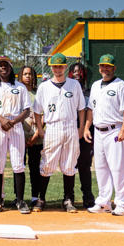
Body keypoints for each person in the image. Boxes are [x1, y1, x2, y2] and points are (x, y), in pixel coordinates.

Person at [33, 54, 86, 213]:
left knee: (69, 164)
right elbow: (37, 110)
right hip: (53, 126)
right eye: (55, 66)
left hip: (70, 126)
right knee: (47, 163)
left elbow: (81, 108)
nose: (58, 69)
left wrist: (81, 128)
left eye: (60, 66)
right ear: (51, 67)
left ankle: (68, 199)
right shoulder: (44, 86)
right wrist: (40, 128)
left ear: (65, 67)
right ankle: (41, 199)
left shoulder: (74, 84)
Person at [83, 54, 124, 216]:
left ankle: (123, 204)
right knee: (100, 167)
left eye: (108, 66)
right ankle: (104, 202)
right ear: (99, 68)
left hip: (114, 130)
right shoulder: (96, 85)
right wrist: (86, 128)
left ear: (114, 68)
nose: (105, 69)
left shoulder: (121, 85)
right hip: (98, 131)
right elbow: (91, 109)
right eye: (102, 66)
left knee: (118, 168)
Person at [0, 56, 31, 213]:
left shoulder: (20, 87)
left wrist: (14, 120)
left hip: (16, 125)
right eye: (0, 66)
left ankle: (20, 200)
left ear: (11, 68)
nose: (3, 68)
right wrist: (0, 118)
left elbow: (26, 109)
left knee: (18, 164)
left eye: (6, 65)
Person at [68, 62, 95, 208]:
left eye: (80, 71)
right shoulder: (68, 90)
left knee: (85, 165)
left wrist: (84, 129)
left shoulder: (90, 92)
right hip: (69, 131)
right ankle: (69, 197)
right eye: (74, 71)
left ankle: (88, 196)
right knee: (70, 164)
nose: (77, 73)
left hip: (86, 132)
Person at [19, 66, 43, 210]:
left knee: (35, 168)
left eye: (30, 74)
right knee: (19, 167)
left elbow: (43, 114)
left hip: (35, 136)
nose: (28, 76)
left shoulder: (38, 93)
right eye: (25, 74)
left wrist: (35, 135)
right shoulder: (17, 92)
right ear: (20, 76)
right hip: (19, 136)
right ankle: (19, 197)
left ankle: (35, 197)